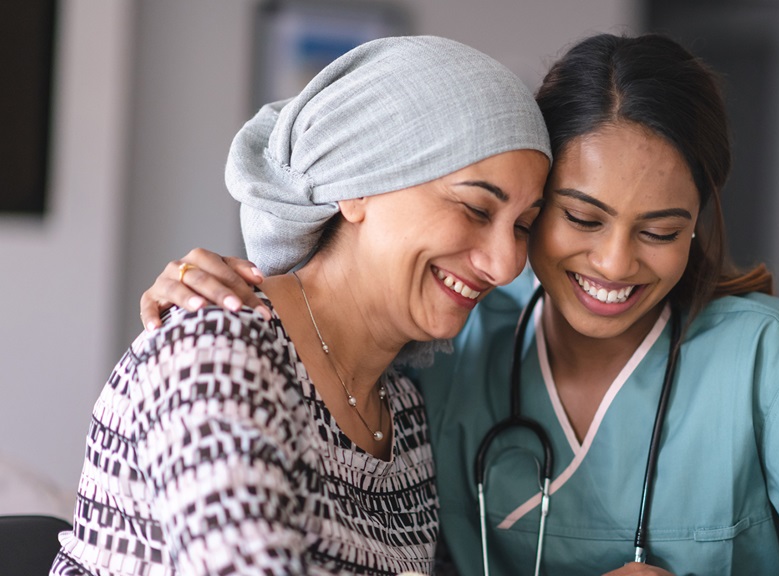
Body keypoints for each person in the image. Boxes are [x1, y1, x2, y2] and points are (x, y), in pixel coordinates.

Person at [137, 34, 779, 575]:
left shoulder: (774, 360)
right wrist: (230, 299)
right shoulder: (448, 346)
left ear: (699, 229)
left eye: (661, 231)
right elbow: (323, 327)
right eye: (577, 217)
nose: (613, 263)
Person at [52, 36, 551, 576]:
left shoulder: (401, 410)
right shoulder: (218, 355)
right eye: (477, 209)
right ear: (358, 186)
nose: (506, 265)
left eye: (523, 226)